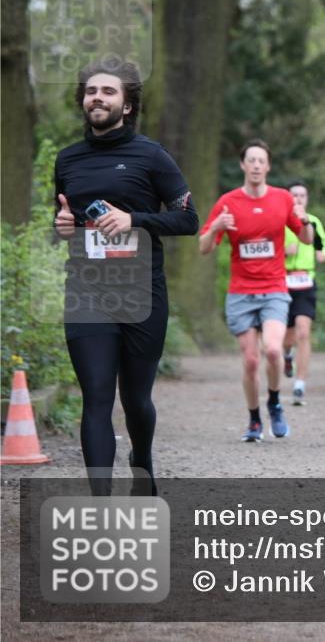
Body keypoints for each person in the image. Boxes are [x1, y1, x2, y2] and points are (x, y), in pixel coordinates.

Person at [53, 60, 199, 496]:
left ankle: (142, 461)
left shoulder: (151, 156)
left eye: (108, 92)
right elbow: (65, 218)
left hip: (141, 293)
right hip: (86, 292)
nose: (97, 97)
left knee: (135, 398)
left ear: (128, 105)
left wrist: (133, 218)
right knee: (96, 397)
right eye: (91, 91)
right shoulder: (67, 160)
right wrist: (62, 225)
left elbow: (189, 221)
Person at [198, 140, 314, 441]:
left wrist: (304, 219)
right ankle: (253, 419)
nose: (256, 165)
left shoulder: (282, 199)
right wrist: (216, 228)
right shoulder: (228, 202)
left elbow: (306, 239)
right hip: (241, 292)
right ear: (243, 165)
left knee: (273, 350)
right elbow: (203, 248)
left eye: (261, 161)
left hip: (274, 288)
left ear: (268, 166)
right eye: (251, 160)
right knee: (250, 361)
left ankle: (274, 402)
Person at [281, 180, 325, 406]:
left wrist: (323, 254)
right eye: (294, 195)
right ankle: (287, 356)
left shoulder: (313, 221)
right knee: (287, 338)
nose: (298, 199)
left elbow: (323, 244)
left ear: (307, 199)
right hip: (282, 281)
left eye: (302, 195)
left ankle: (300, 384)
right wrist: (283, 252)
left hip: (306, 281)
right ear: (287, 198)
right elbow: (269, 247)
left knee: (303, 332)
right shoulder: (279, 219)